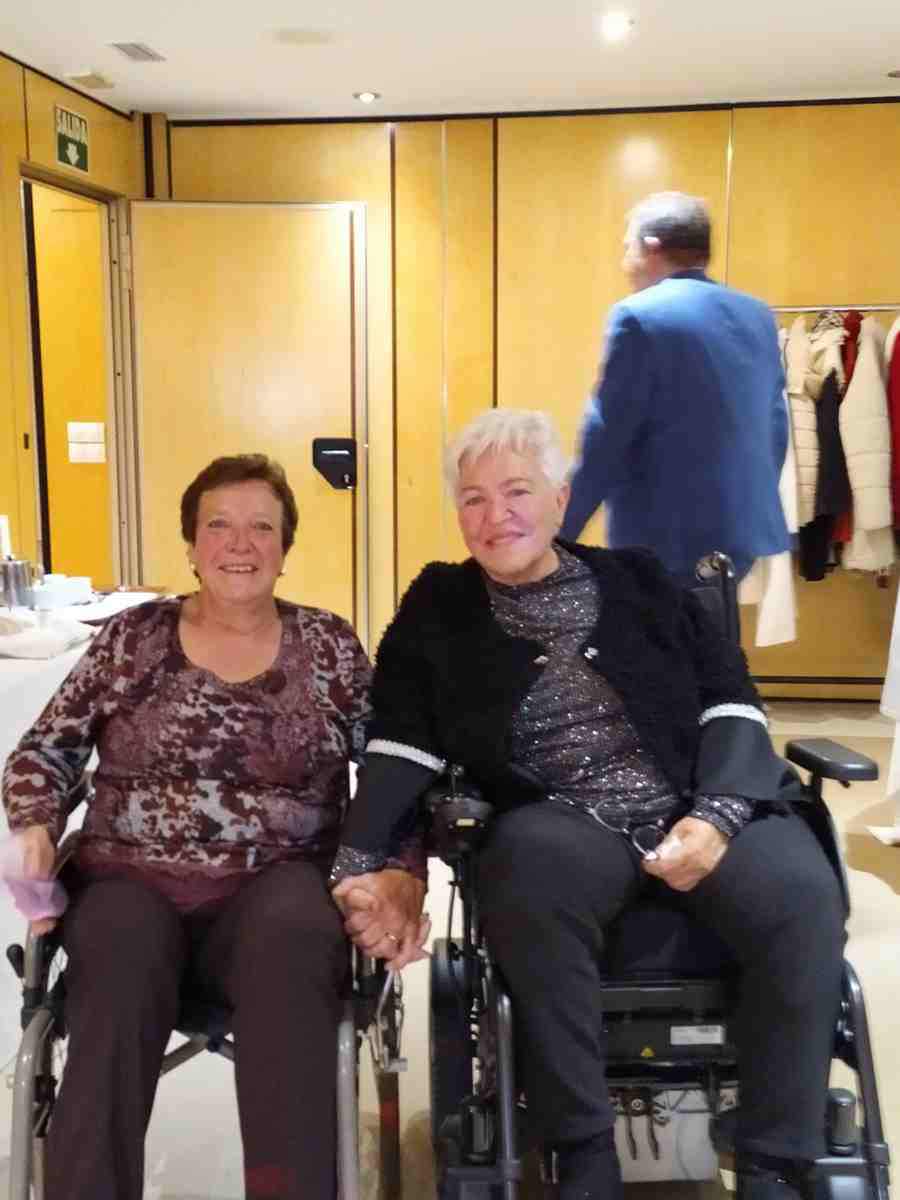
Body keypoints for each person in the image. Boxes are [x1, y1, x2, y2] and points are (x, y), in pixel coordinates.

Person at [330, 409, 843, 1200]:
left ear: (560, 499)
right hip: (563, 818)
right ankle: (583, 1153)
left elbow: (731, 698)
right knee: (526, 876)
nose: (496, 515)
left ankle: (774, 1162)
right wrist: (360, 856)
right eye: (473, 499)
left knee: (803, 892)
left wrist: (717, 817)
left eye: (517, 491)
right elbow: (402, 740)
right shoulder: (438, 605)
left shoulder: (643, 580)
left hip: (697, 800)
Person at [2, 454, 425, 1200]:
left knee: (294, 936)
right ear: (191, 544)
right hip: (129, 882)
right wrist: (36, 823)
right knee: (117, 951)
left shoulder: (328, 646)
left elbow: (394, 769)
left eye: (262, 527)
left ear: (285, 547)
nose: (240, 543)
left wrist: (399, 872)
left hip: (279, 884)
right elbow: (46, 748)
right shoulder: (131, 638)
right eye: (219, 525)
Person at [560, 191, 790, 586]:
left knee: (660, 627)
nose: (625, 263)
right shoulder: (756, 315)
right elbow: (775, 427)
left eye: (627, 248)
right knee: (713, 624)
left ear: (650, 247)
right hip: (742, 534)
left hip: (665, 540)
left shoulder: (639, 315)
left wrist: (558, 536)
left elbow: (606, 438)